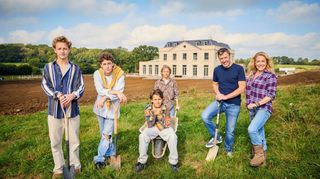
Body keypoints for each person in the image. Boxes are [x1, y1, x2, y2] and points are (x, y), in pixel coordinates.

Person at [41, 36, 84, 178]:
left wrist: (72, 95)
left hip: (73, 111)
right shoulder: (48, 67)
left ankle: (75, 166)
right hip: (54, 111)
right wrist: (58, 95)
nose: (62, 51)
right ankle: (58, 168)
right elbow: (45, 85)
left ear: (69, 50)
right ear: (55, 50)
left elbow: (81, 87)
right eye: (59, 48)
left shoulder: (75, 68)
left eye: (65, 48)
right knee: (55, 141)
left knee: (74, 140)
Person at [201, 47, 246, 157]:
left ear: (229, 56)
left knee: (230, 130)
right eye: (221, 58)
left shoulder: (239, 69)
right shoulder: (217, 70)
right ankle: (216, 136)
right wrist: (218, 94)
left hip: (234, 104)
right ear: (219, 58)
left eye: (225, 57)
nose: (224, 60)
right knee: (205, 116)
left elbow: (242, 88)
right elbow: (215, 84)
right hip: (220, 102)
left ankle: (228, 149)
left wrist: (226, 97)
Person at [92, 53, 127, 169]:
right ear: (101, 65)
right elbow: (100, 90)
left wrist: (105, 97)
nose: (107, 66)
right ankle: (112, 154)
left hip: (113, 109)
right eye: (104, 64)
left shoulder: (119, 74)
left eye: (109, 63)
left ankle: (99, 158)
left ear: (113, 64)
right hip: (100, 108)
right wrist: (115, 92)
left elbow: (120, 90)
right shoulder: (97, 74)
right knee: (104, 134)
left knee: (106, 134)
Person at [135, 89, 179, 172]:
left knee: (173, 136)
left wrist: (160, 116)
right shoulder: (148, 108)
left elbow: (167, 123)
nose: (157, 101)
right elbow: (150, 124)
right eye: (155, 99)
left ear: (162, 99)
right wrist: (155, 114)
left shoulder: (166, 108)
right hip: (152, 128)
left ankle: (173, 162)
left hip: (164, 128)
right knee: (142, 135)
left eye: (159, 99)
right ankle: (142, 161)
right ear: (151, 100)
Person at [246, 52, 277, 167]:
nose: (260, 63)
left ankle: (258, 154)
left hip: (264, 108)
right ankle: (263, 160)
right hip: (252, 109)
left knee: (252, 129)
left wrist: (256, 104)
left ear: (267, 62)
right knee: (260, 132)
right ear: (254, 62)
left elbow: (271, 95)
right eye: (258, 61)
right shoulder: (251, 75)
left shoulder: (270, 76)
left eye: (263, 61)